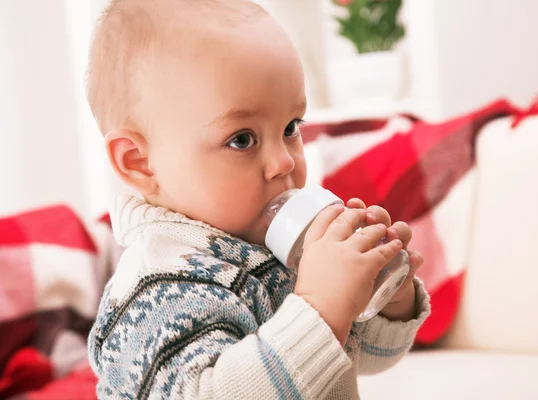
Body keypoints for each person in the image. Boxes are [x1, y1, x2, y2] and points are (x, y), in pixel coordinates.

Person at [86, 1, 431, 398]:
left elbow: (359, 355)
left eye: (290, 127)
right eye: (242, 139)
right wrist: (321, 305)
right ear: (141, 163)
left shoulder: (273, 248)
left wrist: (383, 299)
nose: (284, 161)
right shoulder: (155, 292)